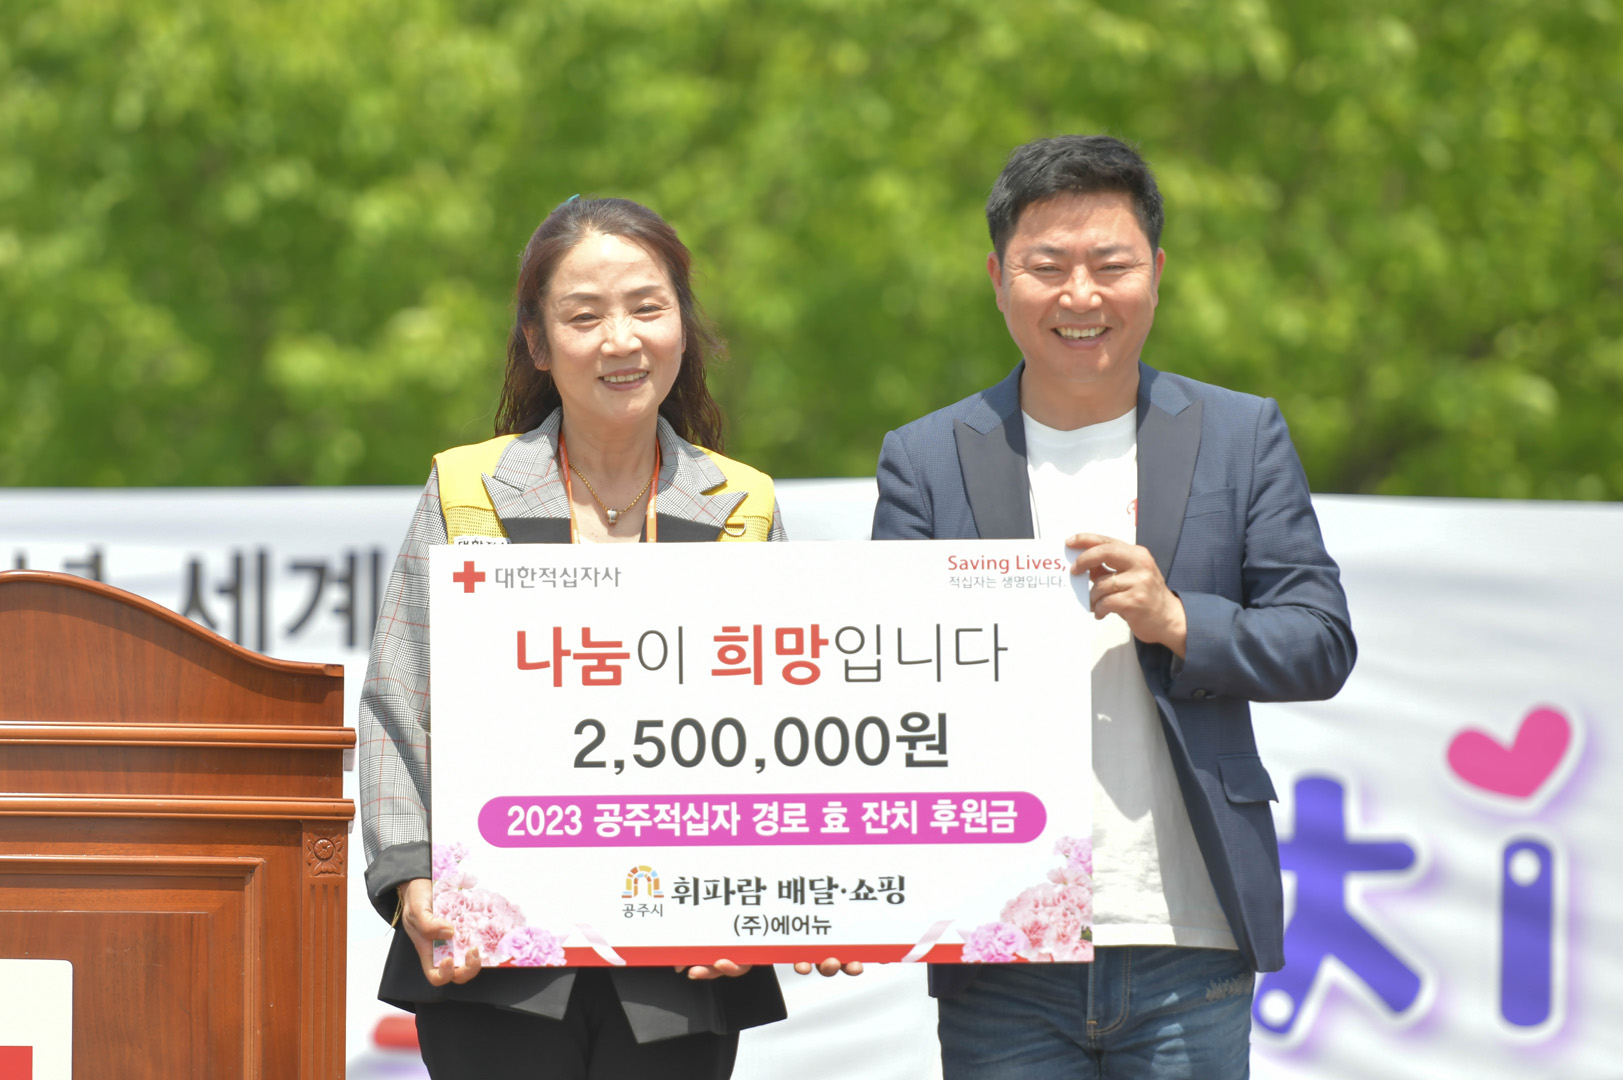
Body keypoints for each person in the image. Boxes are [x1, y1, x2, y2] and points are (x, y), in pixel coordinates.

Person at [871, 136, 1356, 1078]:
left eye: (1110, 265)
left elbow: (1319, 640)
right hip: (1003, 936)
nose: (1080, 295)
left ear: (1157, 274)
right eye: (1046, 267)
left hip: (1189, 932)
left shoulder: (1239, 434)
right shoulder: (924, 458)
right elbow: (887, 684)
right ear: (997, 280)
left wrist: (1176, 620)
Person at [360, 196, 854, 1080]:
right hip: (493, 952)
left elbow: (782, 730)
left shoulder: (742, 505)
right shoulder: (467, 491)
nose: (620, 340)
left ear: (682, 327)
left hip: (684, 955)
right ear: (538, 343)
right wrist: (411, 877)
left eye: (646, 307)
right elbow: (401, 700)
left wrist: (768, 899)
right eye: (583, 316)